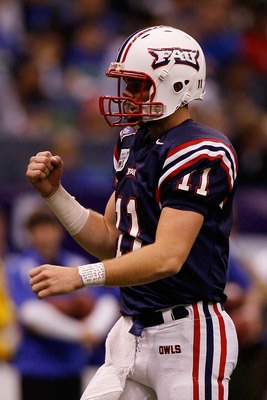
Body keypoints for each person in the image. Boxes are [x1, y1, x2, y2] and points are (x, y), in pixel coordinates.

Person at [26, 25, 239, 400]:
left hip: (187, 335)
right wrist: (55, 194)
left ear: (176, 84)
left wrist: (80, 276)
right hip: (131, 332)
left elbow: (168, 257)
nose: (126, 96)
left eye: (137, 85)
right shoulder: (132, 141)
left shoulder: (202, 150)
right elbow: (112, 239)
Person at [5, 206, 119, 400]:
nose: (45, 235)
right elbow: (32, 315)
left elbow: (107, 301)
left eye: (50, 228)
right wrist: (79, 329)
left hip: (72, 366)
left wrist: (91, 328)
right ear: (30, 234)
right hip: (36, 368)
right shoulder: (20, 267)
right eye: (39, 230)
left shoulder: (77, 263)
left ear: (60, 231)